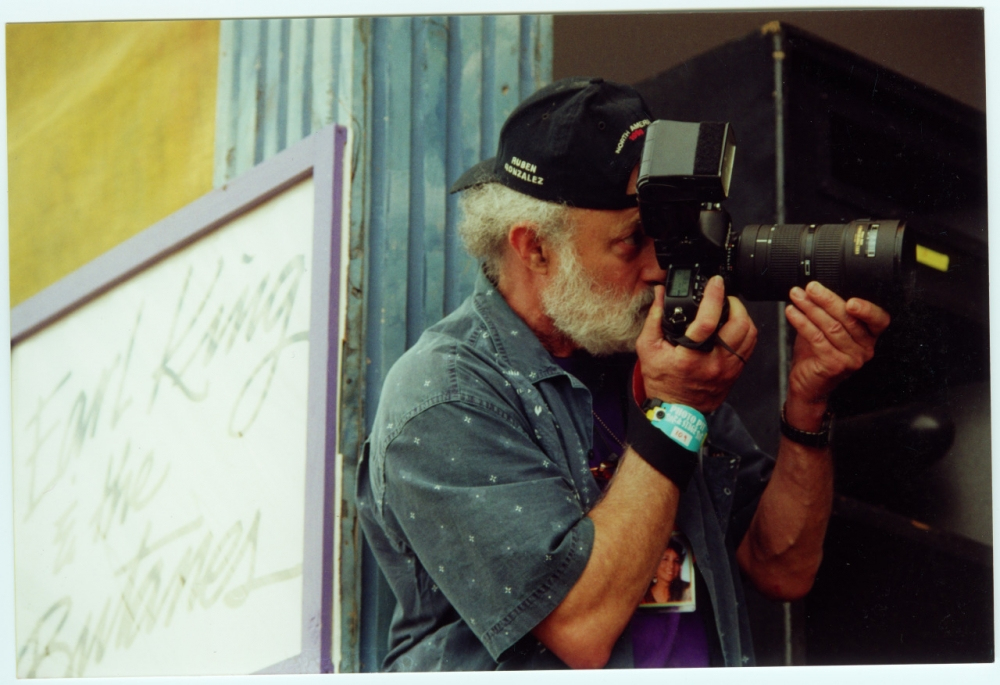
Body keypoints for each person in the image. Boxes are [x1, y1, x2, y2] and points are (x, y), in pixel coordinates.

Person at [356, 77, 890, 670]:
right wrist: (677, 414)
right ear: (534, 248)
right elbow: (581, 625)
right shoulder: (447, 394)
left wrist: (807, 408)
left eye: (663, 234)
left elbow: (782, 566)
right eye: (632, 240)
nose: (662, 265)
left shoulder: (635, 355)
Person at [642, 538, 691, 605]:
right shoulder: (642, 595)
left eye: (676, 561)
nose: (671, 566)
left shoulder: (688, 590)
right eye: (665, 559)